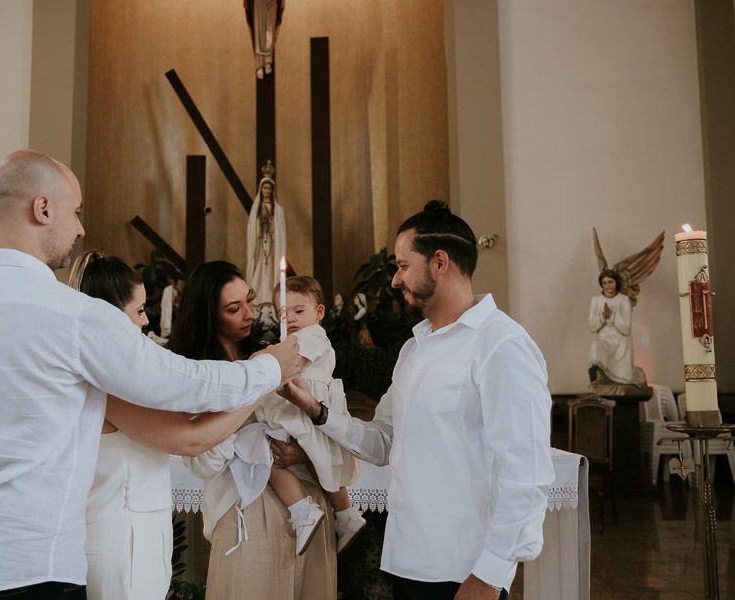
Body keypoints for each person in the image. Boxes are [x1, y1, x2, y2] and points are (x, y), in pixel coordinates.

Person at [0, 150, 302, 600]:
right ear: (43, 208)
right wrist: (269, 367)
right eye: (75, 212)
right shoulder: (73, 315)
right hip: (32, 571)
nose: (80, 228)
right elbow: (181, 381)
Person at [280, 201, 554, 600]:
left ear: (439, 262)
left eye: (403, 265)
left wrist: (490, 576)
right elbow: (384, 442)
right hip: (408, 562)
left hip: (465, 570)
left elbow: (526, 472)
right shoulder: (414, 348)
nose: (394, 279)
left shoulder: (501, 344)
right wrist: (316, 411)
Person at [68, 251, 266, 600]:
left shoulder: (127, 375)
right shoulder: (108, 383)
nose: (146, 322)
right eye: (140, 310)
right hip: (118, 540)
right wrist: (264, 381)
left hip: (144, 534)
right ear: (110, 317)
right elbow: (191, 441)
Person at [176, 262, 337, 600]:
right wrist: (256, 385)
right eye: (234, 308)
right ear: (208, 315)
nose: (250, 314)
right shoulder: (197, 374)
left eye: (250, 301)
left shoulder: (275, 351)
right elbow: (202, 462)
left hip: (306, 499)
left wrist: (303, 452)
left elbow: (321, 418)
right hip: (244, 512)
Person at [254, 276, 366, 555]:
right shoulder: (299, 337)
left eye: (298, 311)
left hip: (304, 407)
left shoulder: (311, 335)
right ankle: (345, 516)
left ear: (319, 313)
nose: (290, 318)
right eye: (283, 312)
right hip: (304, 407)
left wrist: (261, 356)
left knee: (269, 459)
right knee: (321, 463)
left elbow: (289, 365)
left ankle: (303, 511)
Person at [588, 269, 642, 386]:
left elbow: (626, 327)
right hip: (604, 340)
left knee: (626, 341)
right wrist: (603, 316)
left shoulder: (623, 299)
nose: (608, 286)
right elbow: (592, 327)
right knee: (595, 345)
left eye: (610, 282)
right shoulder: (596, 300)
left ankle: (623, 378)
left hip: (620, 340)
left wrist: (611, 315)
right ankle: (600, 378)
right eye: (605, 283)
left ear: (616, 282)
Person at [246, 174, 286, 316]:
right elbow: (251, 229)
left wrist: (270, 220)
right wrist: (260, 220)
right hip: (260, 245)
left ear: (272, 190)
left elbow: (281, 231)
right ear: (261, 189)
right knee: (260, 268)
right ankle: (258, 297)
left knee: (270, 271)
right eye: (265, 187)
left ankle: (270, 297)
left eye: (269, 188)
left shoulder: (278, 209)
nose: (267, 190)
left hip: (272, 246)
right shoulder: (256, 207)